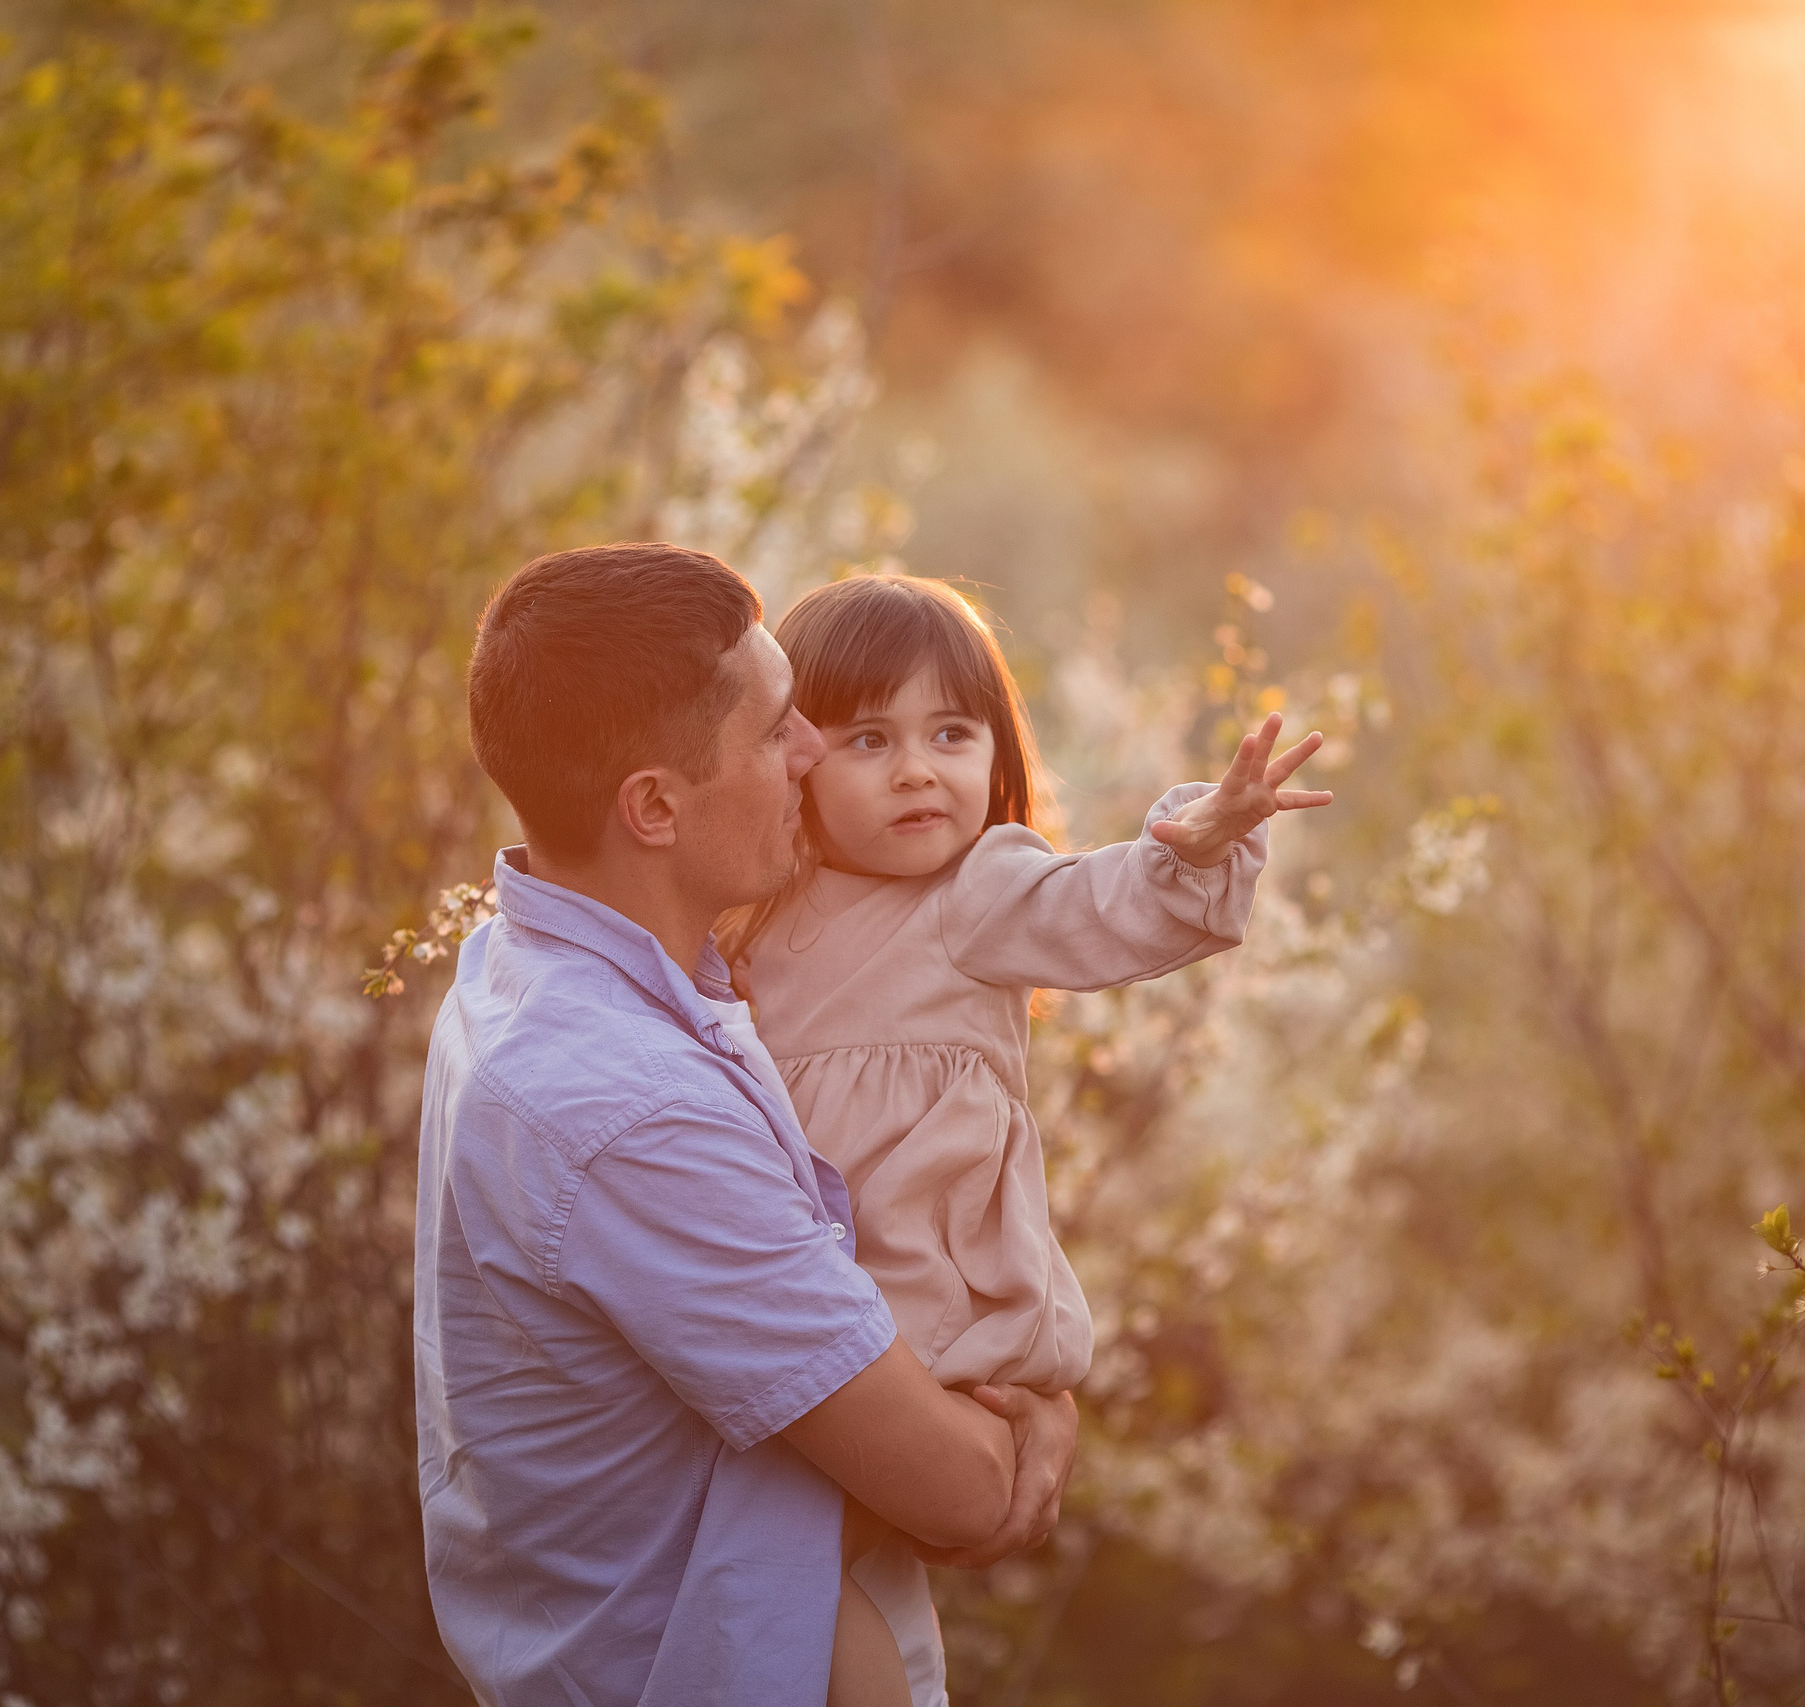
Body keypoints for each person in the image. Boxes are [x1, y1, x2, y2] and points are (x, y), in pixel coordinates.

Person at [413, 543, 1078, 1707]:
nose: (814, 753)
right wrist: (1035, 1420)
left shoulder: (529, 966)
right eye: (776, 732)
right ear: (653, 807)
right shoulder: (632, 1113)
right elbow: (962, 1491)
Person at [721, 573, 1330, 1691]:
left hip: (934, 1308)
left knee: (806, 1566)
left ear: (996, 750)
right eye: (869, 739)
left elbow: (1103, 904)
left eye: (951, 733)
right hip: (818, 1303)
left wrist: (1196, 840)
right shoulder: (756, 916)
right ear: (797, 757)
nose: (917, 769)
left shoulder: (980, 893)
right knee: (801, 1574)